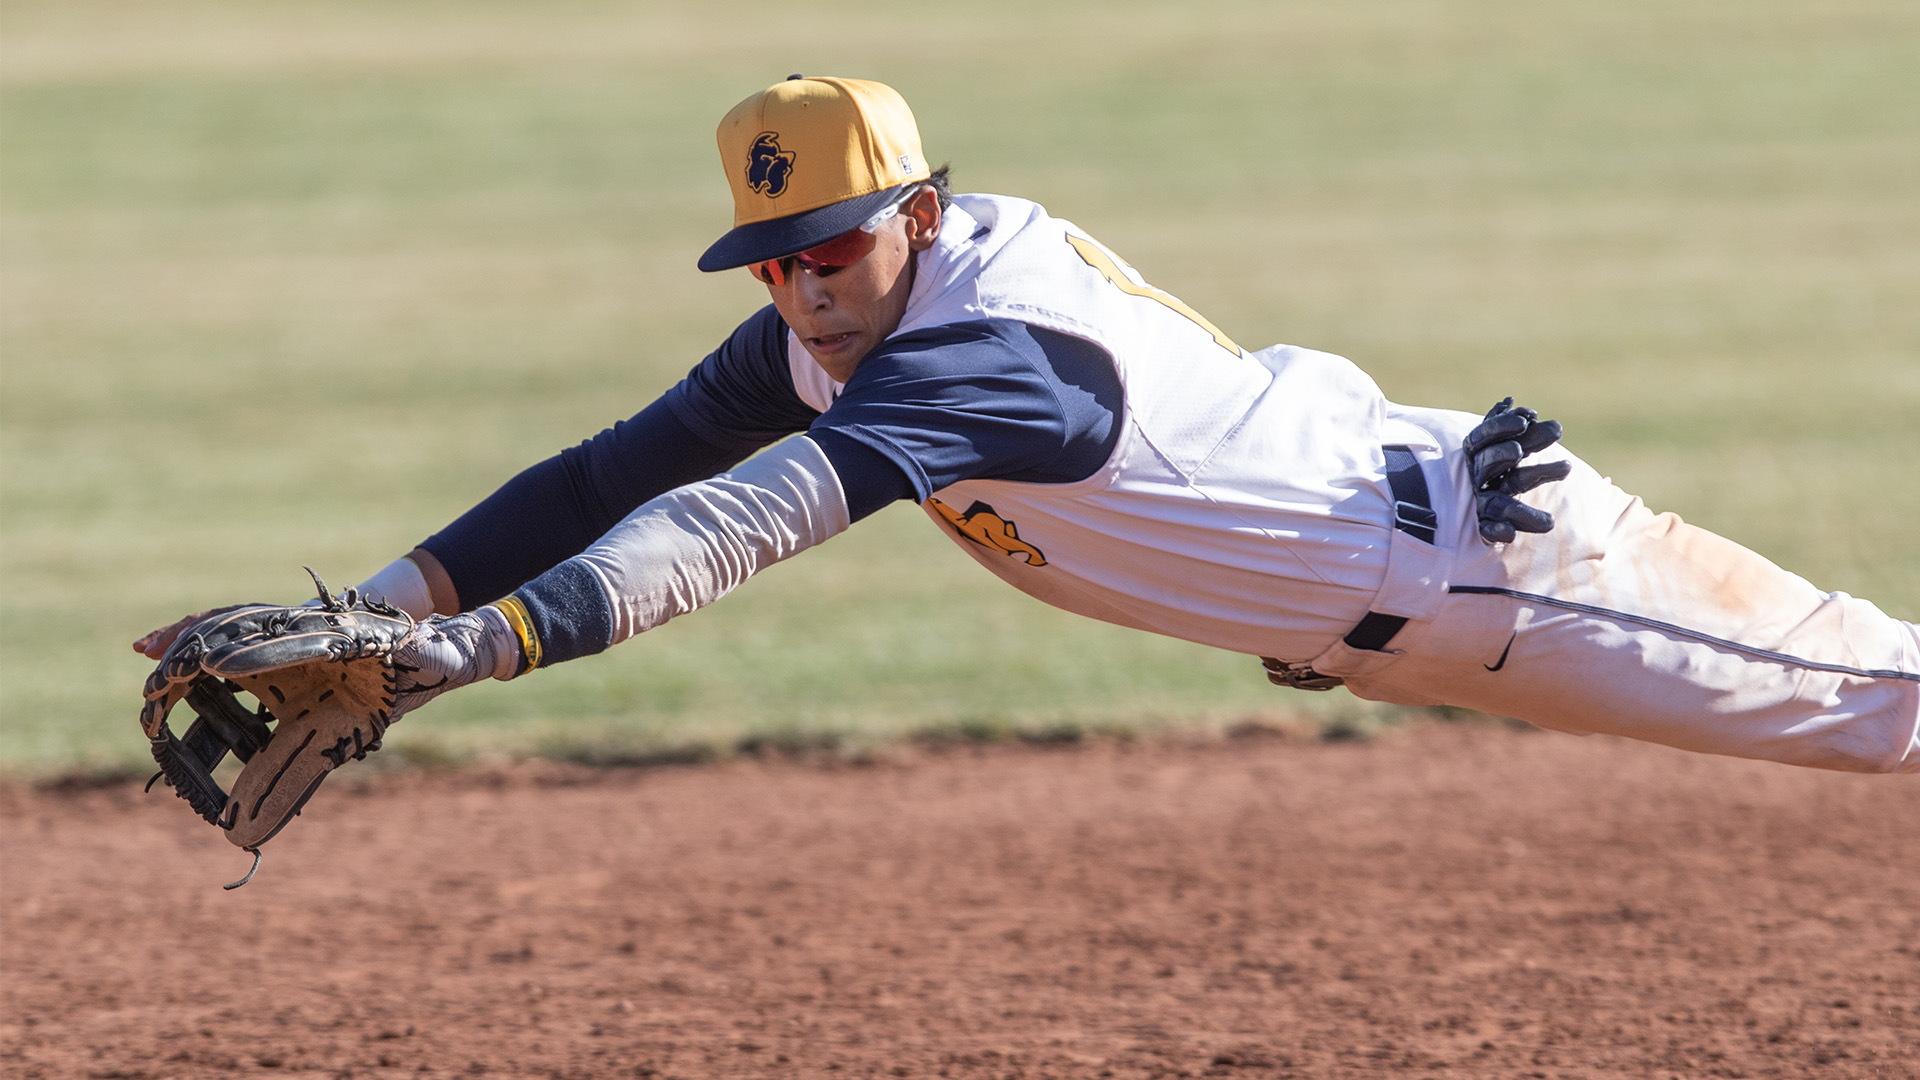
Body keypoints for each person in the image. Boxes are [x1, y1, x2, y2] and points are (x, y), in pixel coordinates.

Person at [136, 76, 1919, 780]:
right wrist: (386, 599)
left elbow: (745, 521)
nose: (799, 290)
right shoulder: (834, 327)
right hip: (1373, 617)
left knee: (1878, 706)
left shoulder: (996, 350)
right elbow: (617, 473)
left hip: (1497, 568)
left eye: (829, 245)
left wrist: (479, 650)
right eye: (768, 259)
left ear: (918, 211)